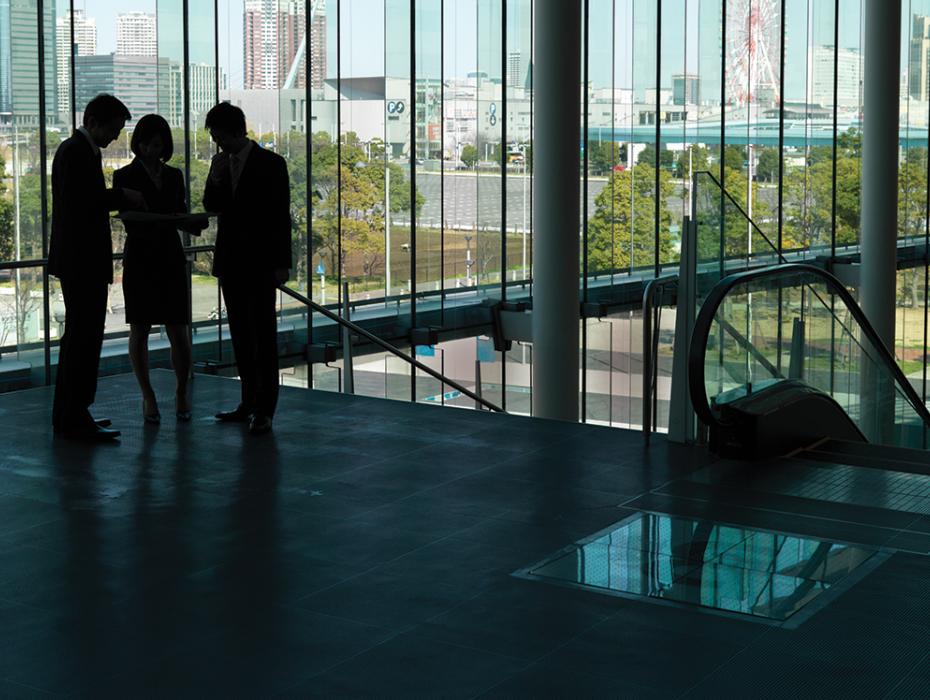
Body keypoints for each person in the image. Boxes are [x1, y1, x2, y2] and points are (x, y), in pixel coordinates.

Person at [48, 94, 145, 442]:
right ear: (94, 122)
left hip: (77, 260)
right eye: (114, 128)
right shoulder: (77, 153)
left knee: (80, 339)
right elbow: (86, 202)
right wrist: (122, 196)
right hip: (82, 261)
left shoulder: (74, 150)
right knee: (83, 339)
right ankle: (74, 416)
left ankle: (70, 414)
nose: (116, 136)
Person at [203, 102, 291, 436]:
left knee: (263, 336)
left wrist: (281, 263)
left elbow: (280, 217)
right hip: (231, 261)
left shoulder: (271, 164)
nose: (218, 143)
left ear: (236, 131)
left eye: (219, 136)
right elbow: (211, 206)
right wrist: (215, 175)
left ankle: (265, 409)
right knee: (240, 333)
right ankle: (248, 402)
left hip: (260, 263)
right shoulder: (221, 165)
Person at [114, 113, 206, 424]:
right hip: (143, 257)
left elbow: (175, 213)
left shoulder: (174, 176)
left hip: (166, 255)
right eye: (147, 145)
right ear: (138, 145)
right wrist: (173, 220)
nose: (152, 151)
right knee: (140, 328)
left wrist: (188, 222)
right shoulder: (123, 176)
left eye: (157, 145)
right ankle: (148, 395)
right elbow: (130, 217)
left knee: (178, 329)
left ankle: (180, 390)